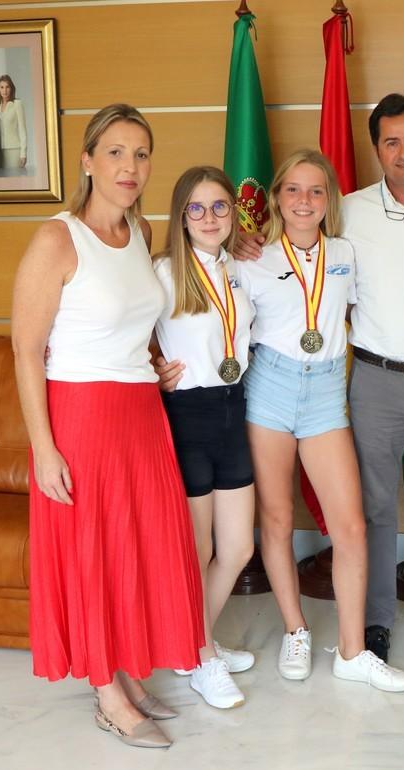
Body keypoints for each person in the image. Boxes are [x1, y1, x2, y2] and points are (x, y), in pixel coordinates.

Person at [233, 95, 404, 664]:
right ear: (376, 149)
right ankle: (372, 621)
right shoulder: (349, 211)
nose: (403, 152)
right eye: (390, 141)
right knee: (371, 507)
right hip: (373, 379)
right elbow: (294, 261)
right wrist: (240, 242)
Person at [11, 104, 203, 749]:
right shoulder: (56, 239)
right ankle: (106, 693)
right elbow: (26, 348)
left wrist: (151, 362)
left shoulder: (141, 230)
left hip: (141, 414)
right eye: (116, 152)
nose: (130, 166)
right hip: (83, 418)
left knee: (137, 546)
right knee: (93, 551)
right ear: (88, 160)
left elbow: (128, 318)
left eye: (141, 154)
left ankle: (123, 665)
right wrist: (43, 448)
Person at [244, 149, 404, 691]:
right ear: (276, 198)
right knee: (275, 519)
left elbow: (372, 312)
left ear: (329, 201)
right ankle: (295, 629)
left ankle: (351, 650)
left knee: (351, 526)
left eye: (316, 191)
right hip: (268, 386)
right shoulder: (252, 257)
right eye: (292, 190)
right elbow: (207, 310)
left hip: (323, 393)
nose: (304, 201)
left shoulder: (346, 253)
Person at [152, 166, 256, 710]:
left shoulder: (242, 267)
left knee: (238, 546)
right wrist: (152, 369)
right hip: (187, 416)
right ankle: (201, 657)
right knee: (200, 549)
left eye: (220, 207)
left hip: (233, 409)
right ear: (181, 216)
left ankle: (196, 641)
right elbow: (120, 332)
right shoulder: (162, 273)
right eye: (197, 208)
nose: (210, 217)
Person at [0, 74, 27, 172]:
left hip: (14, 150)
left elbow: (23, 130)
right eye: (2, 87)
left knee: (15, 179)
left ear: (11, 88)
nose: (4, 90)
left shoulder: (17, 104)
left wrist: (23, 153)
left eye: (7, 87)